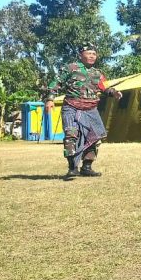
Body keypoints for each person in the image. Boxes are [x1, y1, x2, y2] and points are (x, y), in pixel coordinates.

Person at [44, 43, 123, 178]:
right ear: (81, 55)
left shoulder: (98, 73)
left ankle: (87, 167)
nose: (92, 56)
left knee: (95, 137)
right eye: (89, 53)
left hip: (91, 109)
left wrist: (114, 93)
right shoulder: (70, 68)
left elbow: (104, 88)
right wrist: (50, 99)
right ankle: (72, 168)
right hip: (71, 107)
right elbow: (55, 83)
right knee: (71, 135)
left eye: (94, 54)